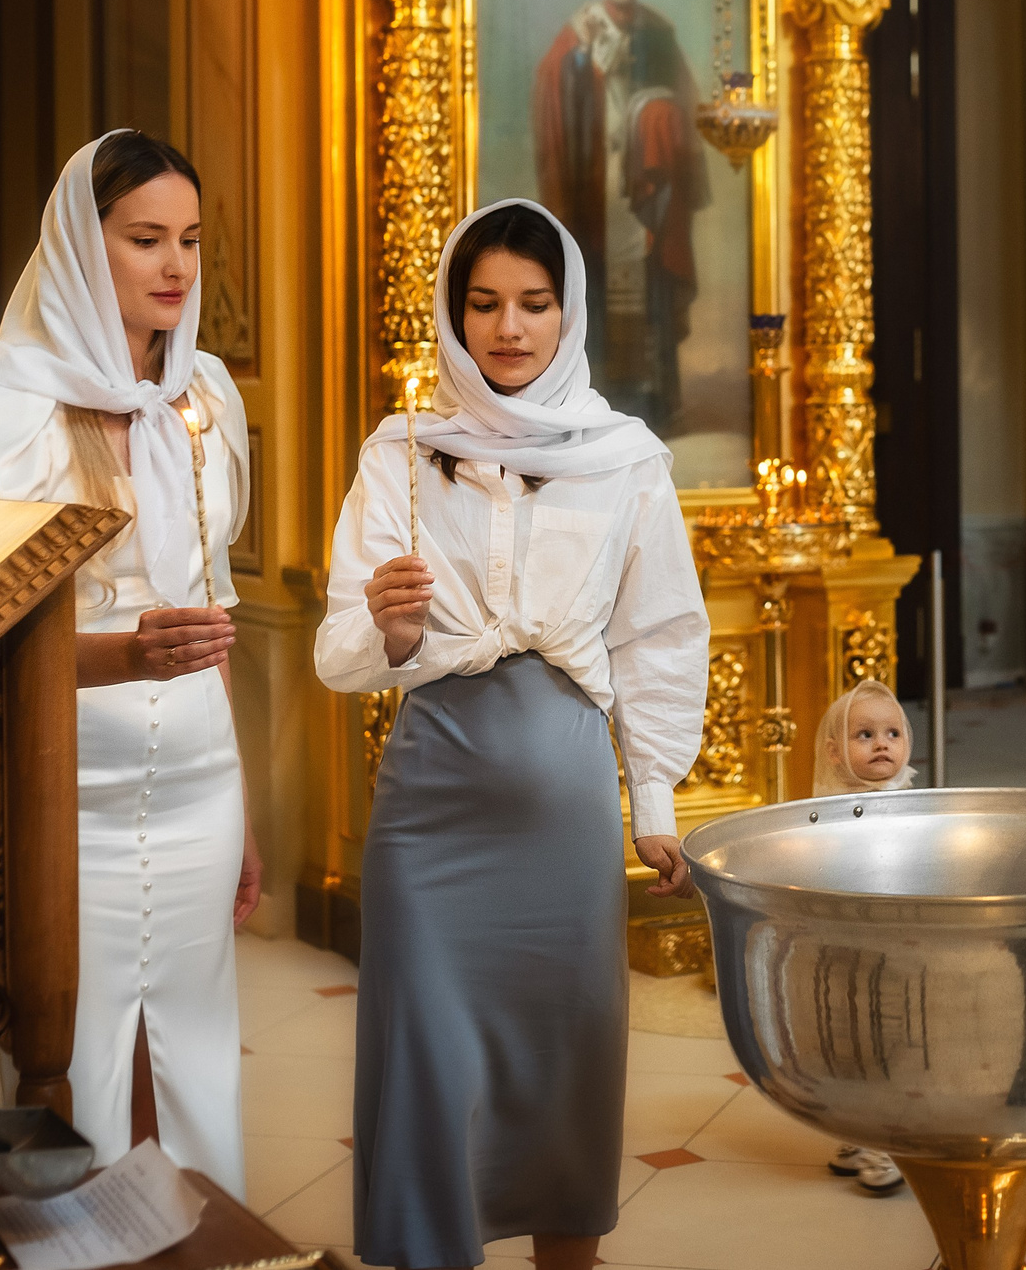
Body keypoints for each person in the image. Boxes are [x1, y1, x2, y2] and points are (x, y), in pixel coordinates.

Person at [316, 198, 707, 1270]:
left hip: (566, 803)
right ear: (452, 314)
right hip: (430, 804)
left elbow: (658, 636)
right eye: (483, 302)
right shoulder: (401, 451)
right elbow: (339, 647)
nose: (509, 327)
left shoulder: (626, 458)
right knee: (426, 1061)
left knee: (564, 1057)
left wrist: (657, 803)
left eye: (534, 303)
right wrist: (390, 630)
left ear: (568, 311)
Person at [0, 130, 257, 1193]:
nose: (176, 266)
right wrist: (125, 652)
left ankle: (199, 1241)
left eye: (193, 240)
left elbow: (211, 613)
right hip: (67, 780)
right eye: (145, 237)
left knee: (195, 1036)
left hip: (199, 775)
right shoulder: (3, 401)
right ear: (80, 241)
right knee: (78, 1042)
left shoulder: (206, 395)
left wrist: (244, 804)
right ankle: (84, 1243)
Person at [530, 0, 709, 428]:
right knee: (601, 284)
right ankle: (601, 398)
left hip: (647, 186)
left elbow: (684, 100)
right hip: (601, 183)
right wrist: (582, 62)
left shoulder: (658, 30)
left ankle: (652, 398)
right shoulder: (582, 26)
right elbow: (553, 85)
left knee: (650, 285)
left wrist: (659, 122)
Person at [808, 679, 917, 1198]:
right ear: (834, 751)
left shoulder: (914, 807)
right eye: (865, 734)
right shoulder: (823, 813)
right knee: (846, 1042)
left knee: (889, 1041)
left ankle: (888, 1141)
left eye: (893, 733)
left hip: (897, 951)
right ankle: (856, 1131)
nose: (882, 743)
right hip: (843, 947)